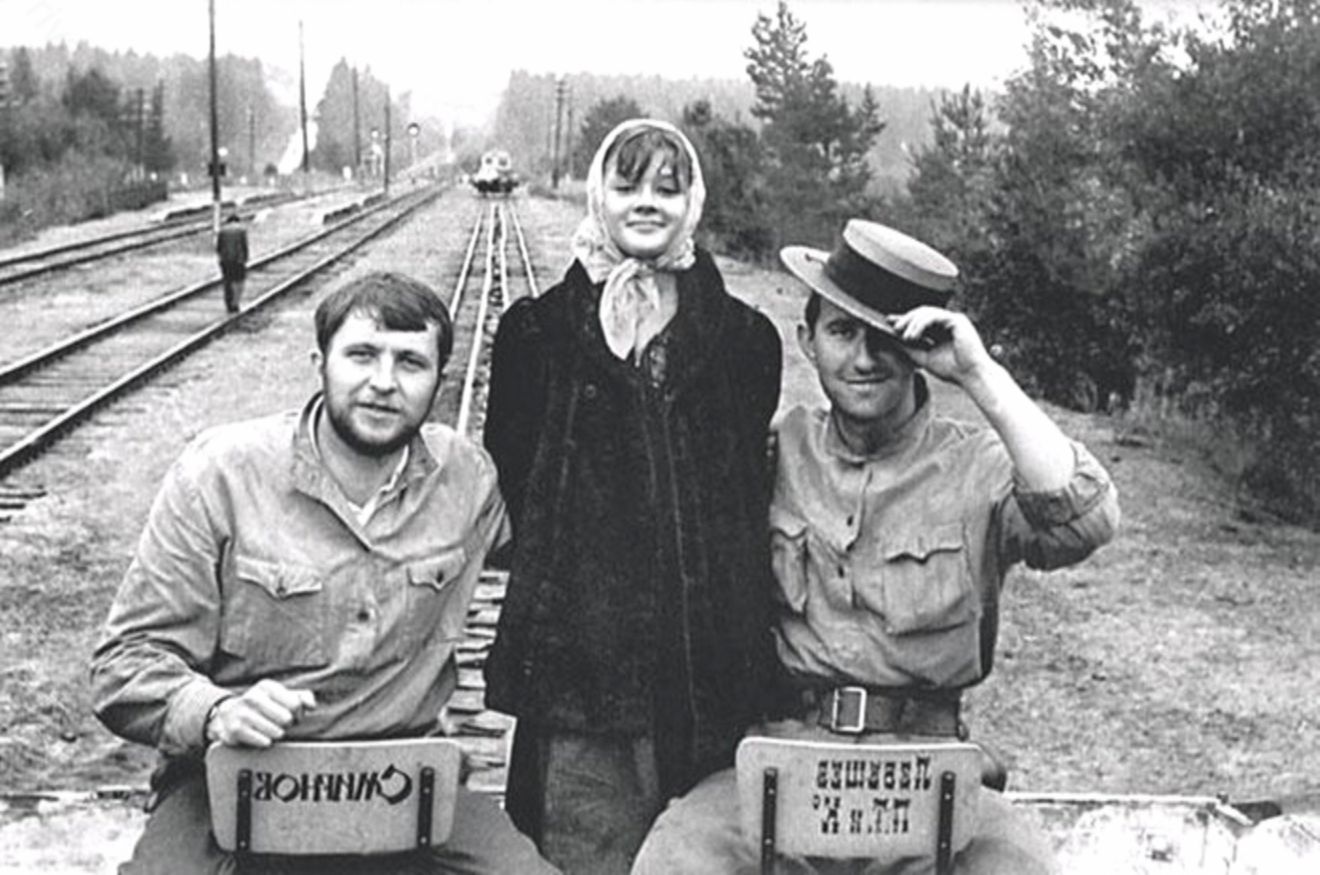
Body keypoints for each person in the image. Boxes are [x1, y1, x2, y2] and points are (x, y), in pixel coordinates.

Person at [631, 219, 1122, 874]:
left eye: (888, 337)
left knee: (1018, 866)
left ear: (923, 348)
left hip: (927, 773)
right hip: (784, 764)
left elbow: (1086, 519)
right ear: (807, 341)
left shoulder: (975, 466)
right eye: (842, 332)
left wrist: (979, 374)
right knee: (678, 855)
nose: (864, 359)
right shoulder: (772, 452)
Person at [90, 272, 558, 874]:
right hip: (235, 773)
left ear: (439, 380)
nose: (383, 382)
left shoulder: (467, 480)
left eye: (411, 362)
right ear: (321, 364)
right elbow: (123, 664)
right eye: (361, 355)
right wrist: (214, 710)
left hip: (401, 775)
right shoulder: (220, 476)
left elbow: (569, 548)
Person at [481, 118, 784, 873]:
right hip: (581, 680)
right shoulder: (535, 335)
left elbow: (744, 490)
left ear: (693, 204)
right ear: (598, 195)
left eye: (667, 188)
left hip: (710, 670)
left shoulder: (745, 340)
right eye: (627, 185)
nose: (646, 201)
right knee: (585, 855)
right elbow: (515, 479)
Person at [217, 213, 249, 313]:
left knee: (228, 282)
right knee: (238, 281)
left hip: (226, 260)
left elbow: (218, 247)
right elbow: (244, 246)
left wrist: (221, 258)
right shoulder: (242, 230)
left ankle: (228, 303)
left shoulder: (222, 230)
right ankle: (235, 303)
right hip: (238, 260)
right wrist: (245, 258)